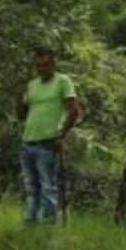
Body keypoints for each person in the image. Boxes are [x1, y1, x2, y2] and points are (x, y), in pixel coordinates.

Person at [16, 47, 81, 224]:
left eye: (45, 64)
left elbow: (74, 110)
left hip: (48, 141)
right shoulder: (32, 85)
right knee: (31, 186)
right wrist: (20, 94)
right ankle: (30, 221)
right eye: (38, 65)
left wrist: (62, 135)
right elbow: (21, 115)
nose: (41, 68)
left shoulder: (62, 81)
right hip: (28, 141)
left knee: (48, 186)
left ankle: (48, 223)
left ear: (53, 64)